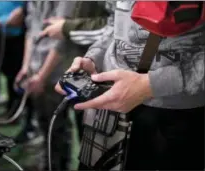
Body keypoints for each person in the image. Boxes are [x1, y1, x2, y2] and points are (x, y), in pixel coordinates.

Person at [55, 1, 205, 170]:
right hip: (109, 100)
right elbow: (114, 22)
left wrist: (152, 84)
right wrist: (94, 57)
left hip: (174, 114)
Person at [15, 2, 76, 170]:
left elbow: (62, 41)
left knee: (57, 127)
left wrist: (42, 76)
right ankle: (47, 161)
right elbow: (30, 31)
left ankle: (57, 166)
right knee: (43, 121)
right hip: (36, 69)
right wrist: (26, 67)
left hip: (55, 72)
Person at [40, 1, 109, 141]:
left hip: (106, 77)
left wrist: (67, 27)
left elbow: (116, 27)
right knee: (85, 140)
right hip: (83, 70)